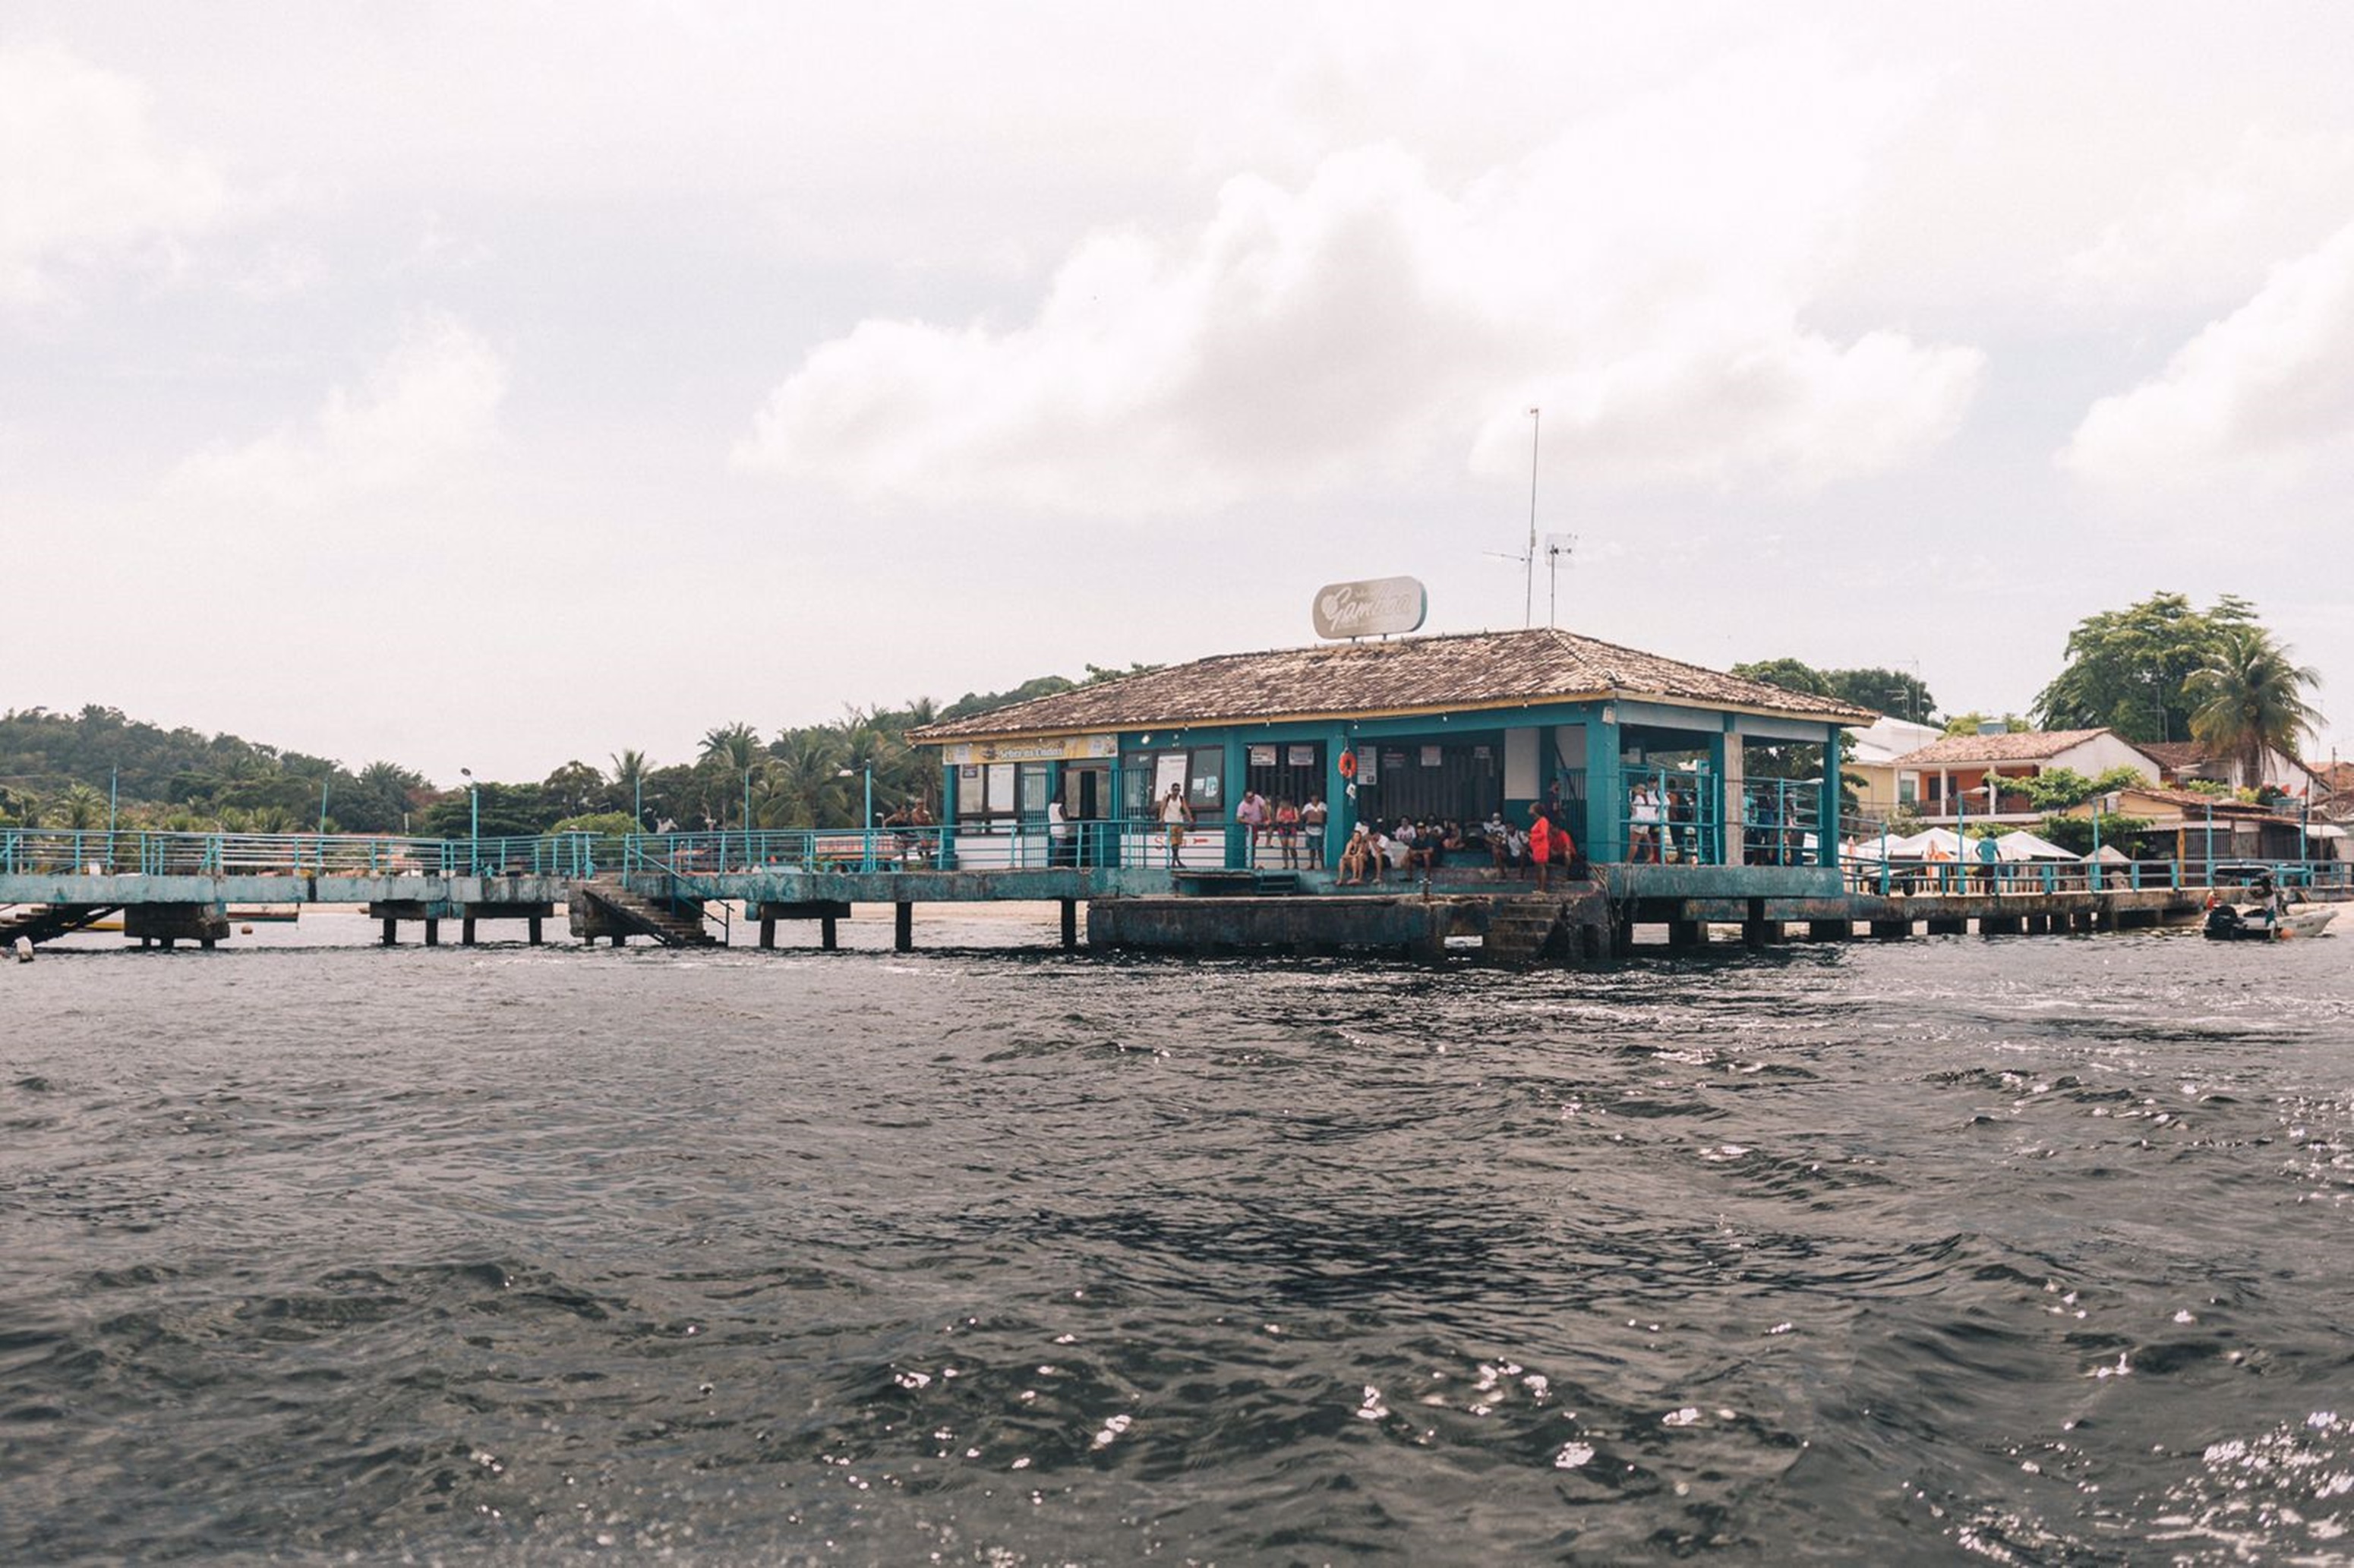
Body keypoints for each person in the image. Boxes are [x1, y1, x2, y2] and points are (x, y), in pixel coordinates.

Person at [1160, 783, 1192, 867]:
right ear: (1172, 790)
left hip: (1179, 822)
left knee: (1177, 843)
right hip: (1170, 822)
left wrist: (1190, 817)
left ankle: (1175, 861)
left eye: (1178, 790)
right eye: (1175, 790)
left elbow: (1185, 808)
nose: (1177, 792)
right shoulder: (1167, 798)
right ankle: (1176, 862)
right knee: (1174, 843)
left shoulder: (1181, 798)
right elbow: (1162, 808)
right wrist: (1161, 818)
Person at [1630, 780, 1662, 863]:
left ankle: (1628, 861)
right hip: (1646, 822)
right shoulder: (1649, 798)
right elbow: (1658, 805)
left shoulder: (1638, 798)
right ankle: (1651, 854)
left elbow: (1635, 810)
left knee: (1634, 843)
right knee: (1646, 837)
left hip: (1638, 822)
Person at [1336, 821, 1375, 885]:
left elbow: (1358, 854)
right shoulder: (1350, 843)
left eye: (1358, 836)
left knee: (1355, 859)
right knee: (1341, 860)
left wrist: (1350, 856)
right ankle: (1340, 879)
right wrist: (1348, 856)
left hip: (1358, 861)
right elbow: (1346, 854)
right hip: (1351, 860)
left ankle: (1355, 877)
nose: (1357, 837)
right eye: (1356, 836)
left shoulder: (1362, 844)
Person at [1235, 787, 1269, 863]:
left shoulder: (1257, 798)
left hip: (1261, 820)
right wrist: (1248, 822)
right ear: (1245, 798)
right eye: (1250, 797)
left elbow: (1265, 807)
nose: (1252, 798)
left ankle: (1268, 842)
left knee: (1267, 808)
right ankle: (1251, 862)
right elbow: (1238, 819)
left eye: (1253, 796)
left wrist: (1268, 818)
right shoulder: (1242, 806)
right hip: (1252, 826)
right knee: (1252, 845)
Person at [1528, 803, 1554, 891]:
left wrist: (1531, 836)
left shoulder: (1543, 820)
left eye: (1531, 808)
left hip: (1541, 847)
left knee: (1542, 867)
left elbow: (1543, 834)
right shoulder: (1538, 821)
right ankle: (1539, 888)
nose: (1529, 810)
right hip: (1536, 847)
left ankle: (1542, 889)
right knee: (1538, 868)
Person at [1273, 797, 1302, 868]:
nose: (1283, 804)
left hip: (1291, 829)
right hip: (1282, 828)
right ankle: (1286, 865)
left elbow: (1297, 819)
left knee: (1292, 847)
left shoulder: (1294, 809)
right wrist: (1281, 819)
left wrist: (1290, 821)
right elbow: (1277, 819)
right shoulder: (1280, 809)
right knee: (1284, 848)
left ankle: (1296, 863)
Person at [1302, 796, 1328, 869]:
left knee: (1320, 848)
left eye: (1315, 796)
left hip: (1319, 830)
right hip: (1309, 830)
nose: (1314, 798)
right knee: (1311, 849)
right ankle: (1312, 864)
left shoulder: (1323, 806)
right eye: (1313, 796)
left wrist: (1314, 815)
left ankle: (1322, 865)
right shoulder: (1307, 806)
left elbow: (1325, 816)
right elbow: (1303, 816)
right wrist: (1312, 815)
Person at [1046, 797, 1071, 868]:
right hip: (1061, 830)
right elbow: (1065, 819)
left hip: (1053, 829)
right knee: (1061, 847)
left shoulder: (1051, 806)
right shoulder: (1060, 807)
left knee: (1057, 846)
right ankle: (1058, 864)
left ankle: (1056, 863)